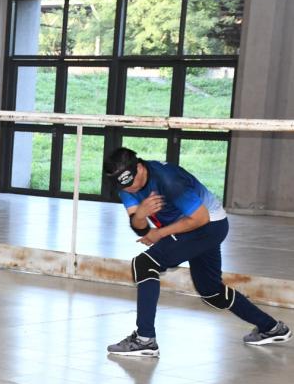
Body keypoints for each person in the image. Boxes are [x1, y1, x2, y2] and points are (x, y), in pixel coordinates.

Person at [103, 147, 290, 357]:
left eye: (131, 184)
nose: (129, 189)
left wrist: (161, 233)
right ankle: (272, 328)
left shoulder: (168, 180)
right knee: (212, 293)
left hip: (208, 226)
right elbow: (141, 228)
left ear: (139, 167)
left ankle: (145, 339)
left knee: (144, 264)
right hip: (195, 228)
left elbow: (201, 219)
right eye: (123, 186)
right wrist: (142, 214)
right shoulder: (125, 185)